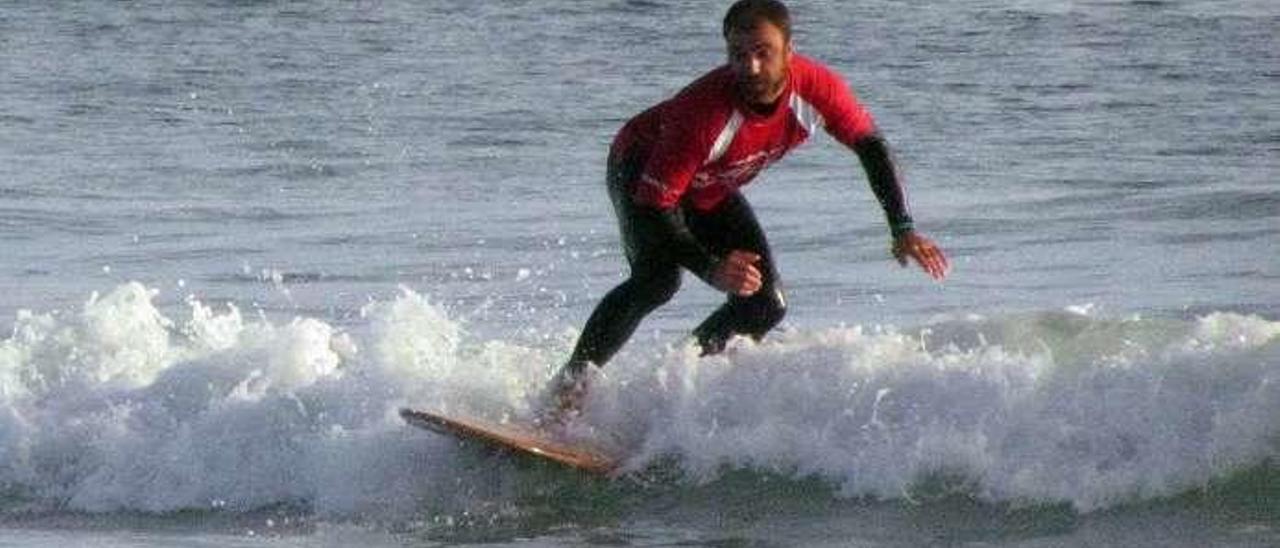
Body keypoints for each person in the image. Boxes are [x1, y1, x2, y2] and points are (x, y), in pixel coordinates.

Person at [548, 0, 948, 415]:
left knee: (764, 304)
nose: (751, 67)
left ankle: (662, 394)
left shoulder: (817, 89)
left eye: (763, 52)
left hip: (710, 186)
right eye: (739, 55)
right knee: (657, 280)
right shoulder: (702, 113)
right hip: (640, 165)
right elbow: (655, 206)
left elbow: (871, 146)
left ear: (789, 51)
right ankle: (567, 389)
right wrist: (710, 268)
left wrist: (902, 227)